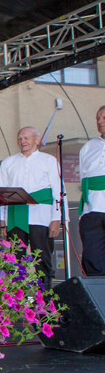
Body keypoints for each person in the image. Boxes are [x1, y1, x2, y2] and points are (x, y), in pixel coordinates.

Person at [0, 126, 62, 287]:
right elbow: (0, 192)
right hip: (15, 214)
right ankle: (18, 296)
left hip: (41, 216)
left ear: (37, 139)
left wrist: (56, 218)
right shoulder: (8, 162)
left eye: (26, 138)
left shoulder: (49, 160)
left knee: (42, 258)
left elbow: (58, 191)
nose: (22, 141)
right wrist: (1, 220)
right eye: (19, 138)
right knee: (15, 259)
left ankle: (46, 297)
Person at [79, 106, 105, 276]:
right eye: (98, 118)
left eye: (104, 118)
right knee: (92, 258)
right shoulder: (88, 147)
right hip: (92, 209)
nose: (100, 121)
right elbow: (83, 178)